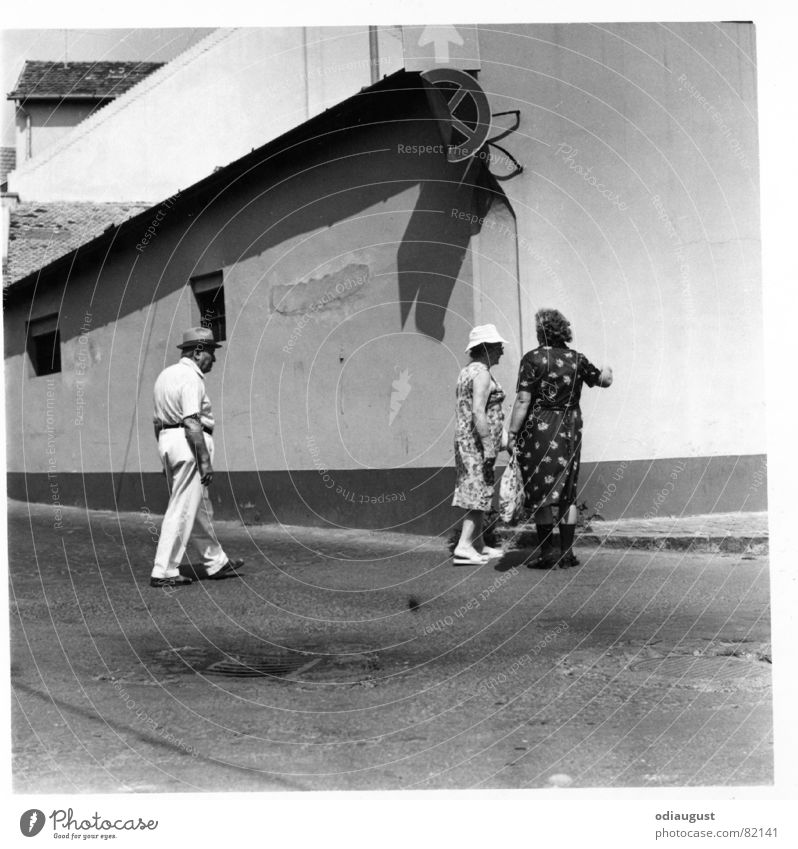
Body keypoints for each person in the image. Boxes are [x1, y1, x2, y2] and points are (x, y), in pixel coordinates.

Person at [507, 309, 612, 568]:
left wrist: (511, 432)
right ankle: (567, 553)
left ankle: (547, 554)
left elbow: (523, 399)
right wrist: (608, 370)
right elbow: (603, 380)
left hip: (540, 427)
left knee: (540, 490)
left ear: (540, 331)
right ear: (563, 330)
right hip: (569, 425)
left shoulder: (532, 359)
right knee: (567, 491)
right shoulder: (577, 359)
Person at [149, 327, 244, 588]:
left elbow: (157, 422)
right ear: (198, 352)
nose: (213, 358)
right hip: (188, 443)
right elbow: (192, 422)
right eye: (211, 352)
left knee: (198, 508)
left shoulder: (164, 376)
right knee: (181, 508)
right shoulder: (191, 378)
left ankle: (216, 561)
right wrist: (204, 460)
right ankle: (164, 570)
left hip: (169, 442)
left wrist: (165, 458)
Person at [452, 324, 509, 565]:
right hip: (476, 444)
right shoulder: (482, 374)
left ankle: (478, 543)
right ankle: (464, 546)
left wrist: (502, 440)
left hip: (467, 441)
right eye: (498, 347)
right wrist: (488, 444)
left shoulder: (468, 371)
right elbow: (478, 411)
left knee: (478, 489)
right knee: (478, 491)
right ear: (485, 348)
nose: (501, 352)